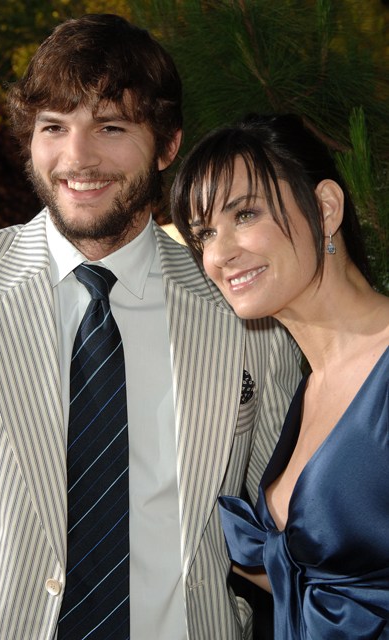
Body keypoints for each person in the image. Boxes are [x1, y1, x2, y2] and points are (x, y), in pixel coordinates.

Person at [0, 16, 302, 640]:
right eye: (54, 127)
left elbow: (288, 537)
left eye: (110, 127)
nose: (77, 157)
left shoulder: (242, 305)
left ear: (166, 146)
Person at [170, 112, 389, 639]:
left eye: (245, 214)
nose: (218, 254)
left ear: (326, 208)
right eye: (204, 233)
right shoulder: (309, 388)